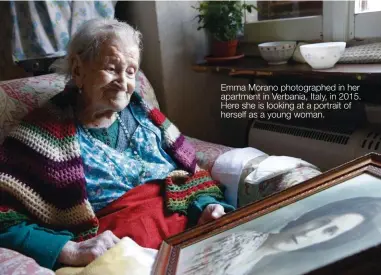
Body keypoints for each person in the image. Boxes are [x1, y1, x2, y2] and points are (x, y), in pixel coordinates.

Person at [0, 18, 234, 270]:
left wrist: (207, 207)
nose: (123, 82)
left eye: (131, 71)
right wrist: (70, 249)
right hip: (123, 259)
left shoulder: (147, 117)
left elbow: (190, 176)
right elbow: (4, 220)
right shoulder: (39, 136)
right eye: (112, 68)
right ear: (78, 70)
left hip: (189, 239)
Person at [183, 196, 381, 275]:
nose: (311, 232)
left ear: (330, 242)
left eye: (330, 232)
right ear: (314, 216)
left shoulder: (268, 265)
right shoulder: (240, 239)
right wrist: (207, 208)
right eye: (322, 222)